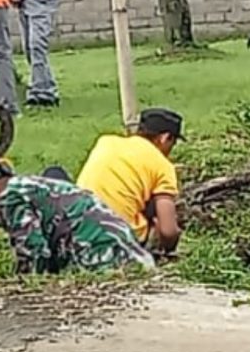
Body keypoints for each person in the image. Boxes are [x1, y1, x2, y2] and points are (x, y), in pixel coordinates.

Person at [0, 153, 156, 276]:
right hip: (119, 244)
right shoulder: (29, 186)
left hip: (97, 253)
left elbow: (33, 250)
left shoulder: (9, 199)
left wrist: (23, 283)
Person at [76, 109, 184, 255]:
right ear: (165, 138)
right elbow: (168, 232)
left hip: (78, 229)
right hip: (121, 240)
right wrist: (170, 245)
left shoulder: (105, 142)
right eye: (173, 142)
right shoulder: (163, 166)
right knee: (157, 202)